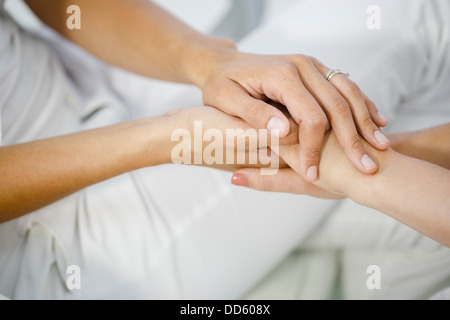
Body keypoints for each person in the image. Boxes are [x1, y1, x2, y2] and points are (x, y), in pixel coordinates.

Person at [0, 0, 449, 300]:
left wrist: (208, 60)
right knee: (412, 18)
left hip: (94, 74)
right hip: (59, 243)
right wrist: (170, 134)